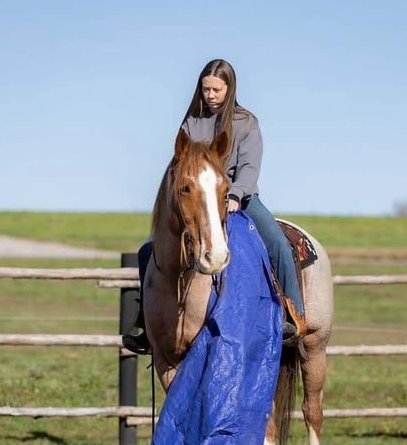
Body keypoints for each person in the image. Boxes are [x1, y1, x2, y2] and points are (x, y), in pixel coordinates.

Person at [122, 58, 305, 354]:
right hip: (198, 202)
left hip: (239, 198)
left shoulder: (246, 122)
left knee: (278, 245)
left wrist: (235, 194)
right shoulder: (192, 123)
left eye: (216, 90)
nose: (210, 96)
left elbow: (249, 166)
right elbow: (181, 165)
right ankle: (147, 322)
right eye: (206, 89)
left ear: (229, 89)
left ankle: (292, 315)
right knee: (148, 251)